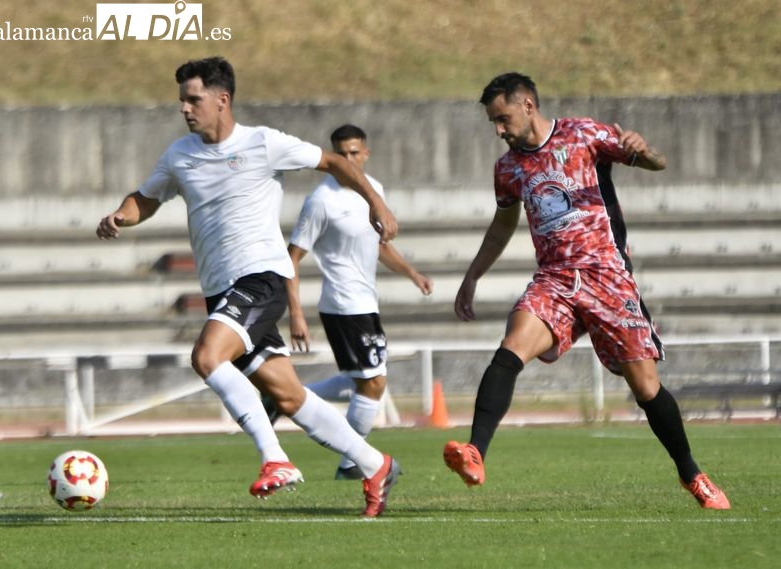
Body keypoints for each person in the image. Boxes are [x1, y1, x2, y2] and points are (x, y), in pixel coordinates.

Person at [95, 57, 401, 517]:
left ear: (223, 100)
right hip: (223, 291)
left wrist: (376, 202)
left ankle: (275, 458)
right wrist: (122, 214)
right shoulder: (180, 155)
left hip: (261, 278)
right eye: (181, 99)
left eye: (192, 98)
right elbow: (147, 197)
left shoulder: (263, 143)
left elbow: (334, 162)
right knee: (289, 396)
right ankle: (376, 464)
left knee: (206, 357)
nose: (183, 108)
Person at [443, 72, 730, 509]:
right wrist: (472, 275)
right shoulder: (508, 168)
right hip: (555, 279)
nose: (499, 131)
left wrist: (643, 149)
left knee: (646, 387)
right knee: (511, 347)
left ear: (527, 106)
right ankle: (476, 452)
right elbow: (503, 226)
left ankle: (693, 474)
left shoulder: (584, 134)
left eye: (502, 119)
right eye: (492, 124)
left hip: (607, 275)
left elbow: (658, 163)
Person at [281, 124, 433, 480]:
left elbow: (379, 246)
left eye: (354, 153)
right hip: (342, 304)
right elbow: (291, 258)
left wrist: (412, 273)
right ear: (333, 156)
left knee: (364, 380)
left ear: (365, 154)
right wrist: (296, 314)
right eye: (341, 154)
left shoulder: (373, 191)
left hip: (367, 302)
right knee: (374, 383)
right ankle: (352, 463)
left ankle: (284, 396)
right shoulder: (322, 200)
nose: (348, 159)